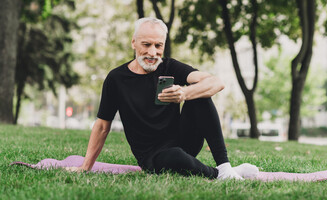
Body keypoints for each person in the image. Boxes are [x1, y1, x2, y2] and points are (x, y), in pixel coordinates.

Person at [67, 17, 258, 180]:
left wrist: (185, 93)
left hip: (183, 142)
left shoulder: (170, 67)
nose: (152, 53)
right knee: (174, 157)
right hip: (153, 157)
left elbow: (216, 83)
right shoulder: (116, 79)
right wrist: (86, 166)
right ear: (134, 43)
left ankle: (225, 166)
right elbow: (102, 126)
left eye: (158, 46)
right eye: (146, 45)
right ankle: (220, 175)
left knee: (200, 94)